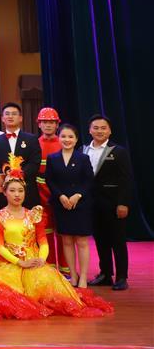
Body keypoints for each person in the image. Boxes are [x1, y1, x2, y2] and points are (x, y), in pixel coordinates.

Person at [0, 154, 111, 317]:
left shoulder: (34, 215)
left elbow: (43, 241)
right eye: (12, 191)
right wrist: (20, 262)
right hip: (10, 263)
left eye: (20, 191)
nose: (17, 195)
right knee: (11, 295)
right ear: (4, 192)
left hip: (34, 261)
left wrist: (41, 259)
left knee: (52, 294)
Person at [84, 114, 133, 291]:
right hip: (92, 203)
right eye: (95, 128)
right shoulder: (83, 150)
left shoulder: (118, 151)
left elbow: (126, 179)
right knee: (100, 240)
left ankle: (121, 277)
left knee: (117, 240)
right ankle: (105, 274)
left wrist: (123, 203)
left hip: (113, 203)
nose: (99, 131)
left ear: (110, 131)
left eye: (103, 128)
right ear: (90, 130)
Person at [45, 123, 95, 288]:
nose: (67, 140)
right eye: (63, 136)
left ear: (76, 139)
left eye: (70, 137)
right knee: (66, 240)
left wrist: (77, 195)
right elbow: (50, 180)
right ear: (58, 138)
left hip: (80, 204)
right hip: (61, 204)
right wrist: (60, 196)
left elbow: (89, 180)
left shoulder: (83, 158)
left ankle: (83, 277)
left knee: (81, 241)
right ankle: (73, 275)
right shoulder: (52, 158)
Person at [36, 107, 70, 276]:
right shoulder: (34, 143)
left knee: (64, 232)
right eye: (45, 122)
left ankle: (66, 269)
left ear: (57, 125)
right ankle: (48, 269)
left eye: (52, 122)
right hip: (39, 194)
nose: (48, 125)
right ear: (39, 124)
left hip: (61, 193)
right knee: (45, 232)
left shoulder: (64, 143)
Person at [0, 103, 41, 212]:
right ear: (2, 118)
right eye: (7, 114)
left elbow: (34, 162)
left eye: (14, 114)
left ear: (20, 118)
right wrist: (7, 177)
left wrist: (20, 174)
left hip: (27, 189)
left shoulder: (31, 139)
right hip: (5, 191)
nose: (10, 116)